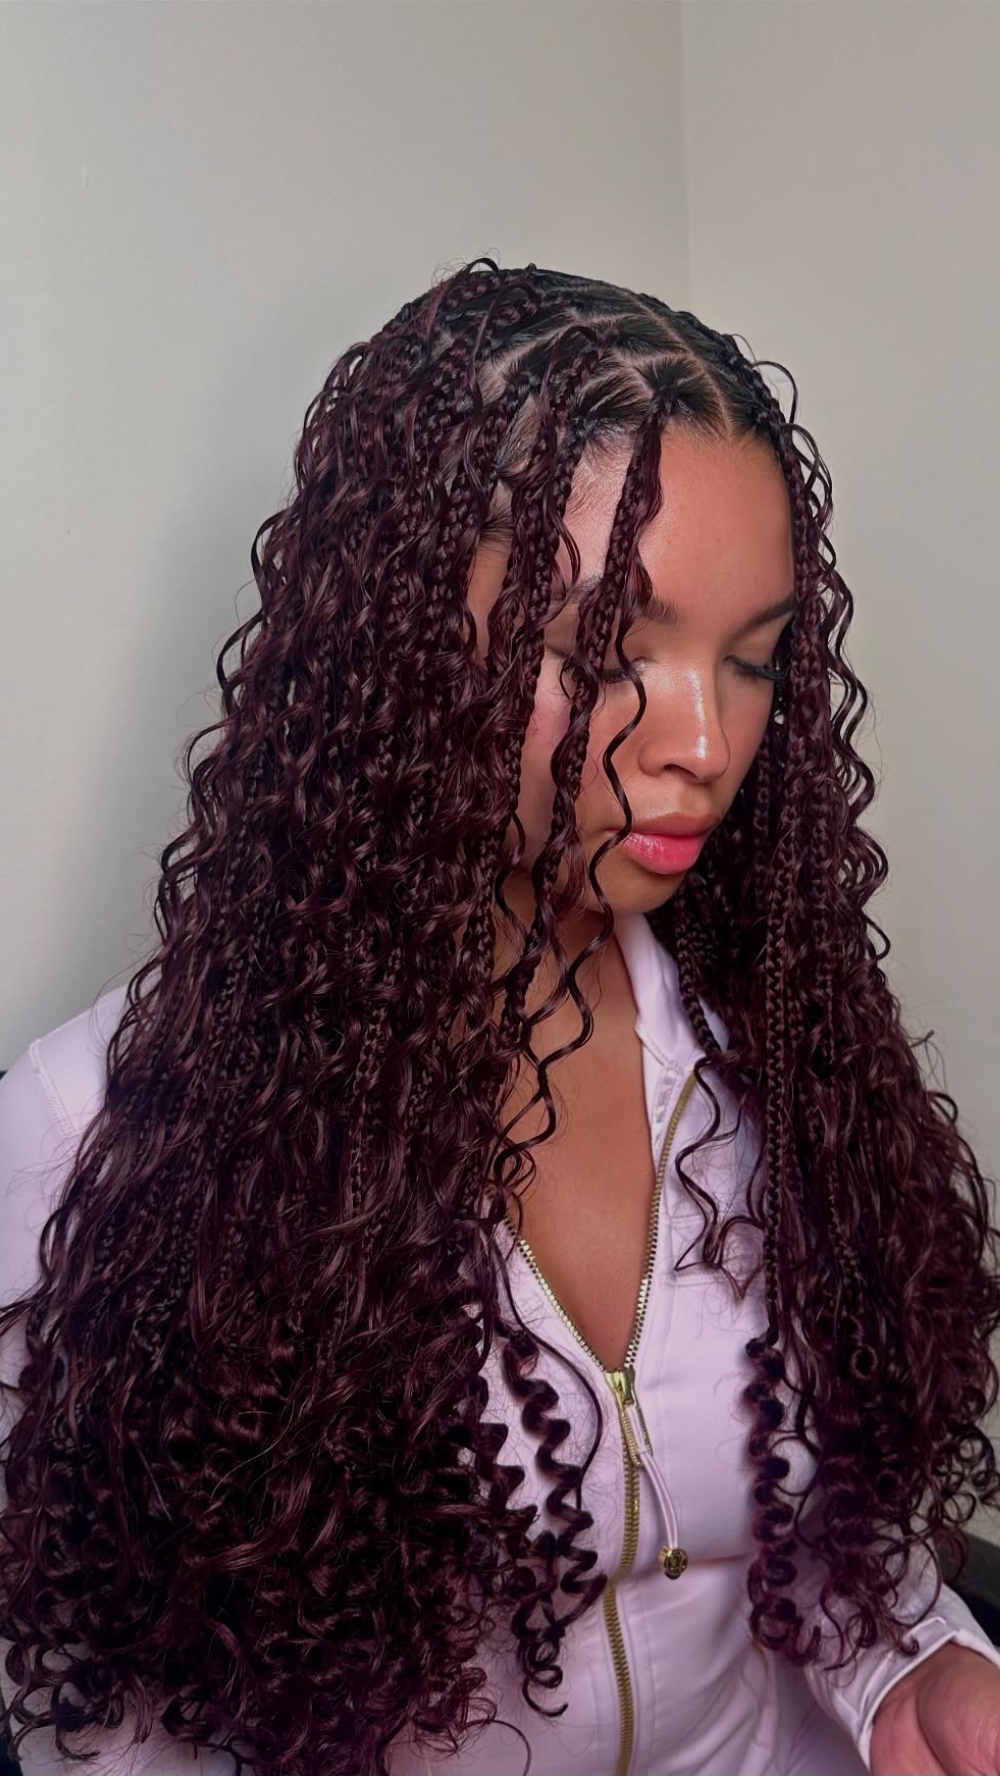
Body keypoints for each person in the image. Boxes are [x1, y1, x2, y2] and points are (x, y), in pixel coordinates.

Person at [1, 258, 999, 1777]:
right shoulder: (104, 1140)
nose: (706, 741)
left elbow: (820, 1531)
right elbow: (107, 1711)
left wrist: (915, 1666)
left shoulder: (781, 1056)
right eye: (606, 649)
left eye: (752, 658)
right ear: (408, 639)